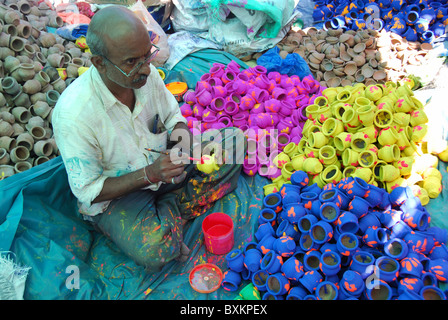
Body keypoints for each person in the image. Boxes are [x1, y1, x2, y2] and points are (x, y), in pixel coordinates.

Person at [52, 6, 245, 272]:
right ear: (99, 63)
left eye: (147, 55)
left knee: (234, 143)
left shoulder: (146, 76)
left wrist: (183, 144)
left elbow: (173, 117)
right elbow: (88, 191)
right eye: (133, 62)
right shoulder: (74, 115)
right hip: (119, 195)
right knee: (156, 249)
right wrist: (151, 175)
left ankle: (169, 209)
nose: (146, 68)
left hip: (163, 166)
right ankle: (172, 208)